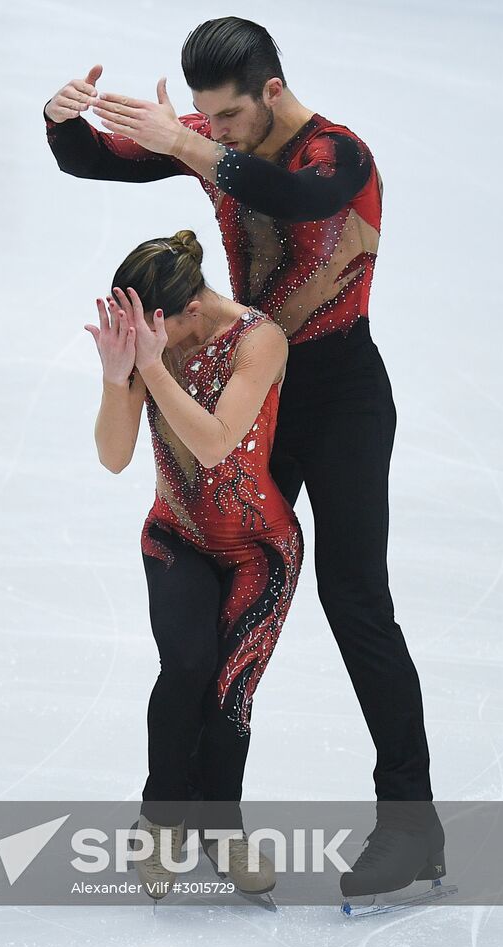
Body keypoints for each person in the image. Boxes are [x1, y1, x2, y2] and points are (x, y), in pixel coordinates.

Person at [45, 16, 445, 899]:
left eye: (224, 116)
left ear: (270, 92)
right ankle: (186, 817)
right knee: (212, 606)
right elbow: (88, 160)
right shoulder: (223, 136)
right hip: (246, 391)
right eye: (200, 118)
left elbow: (296, 201)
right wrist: (65, 118)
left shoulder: (337, 154)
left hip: (336, 402)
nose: (210, 131)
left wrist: (189, 150)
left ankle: (412, 823)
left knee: (354, 600)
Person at [84, 229, 303, 900]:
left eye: (163, 334)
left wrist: (150, 369)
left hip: (258, 553)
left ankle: (222, 826)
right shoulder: (153, 346)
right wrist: (114, 376)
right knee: (184, 667)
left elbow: (212, 444)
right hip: (175, 536)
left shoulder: (258, 340)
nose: (167, 347)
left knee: (229, 690)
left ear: (184, 310)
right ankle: (161, 820)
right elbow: (114, 456)